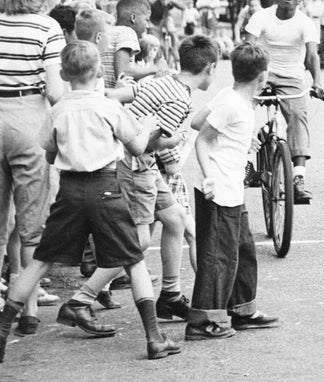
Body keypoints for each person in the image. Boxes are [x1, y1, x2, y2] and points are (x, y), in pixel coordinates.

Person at [0, 42, 181, 364]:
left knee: (39, 261)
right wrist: (148, 128)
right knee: (133, 260)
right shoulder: (108, 107)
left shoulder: (58, 109)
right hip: (106, 188)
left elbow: (49, 154)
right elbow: (136, 147)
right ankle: (154, 337)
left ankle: (1, 333)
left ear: (63, 74)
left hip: (70, 191)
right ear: (98, 73)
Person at [66, 35, 219, 333]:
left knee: (175, 221)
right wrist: (176, 140)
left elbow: (120, 96)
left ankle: (171, 295)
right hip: (135, 165)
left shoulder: (164, 81)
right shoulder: (180, 99)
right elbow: (153, 145)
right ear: (210, 68)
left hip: (143, 166)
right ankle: (79, 301)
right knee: (137, 244)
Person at [185, 43, 279, 340]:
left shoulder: (230, 97)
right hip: (219, 190)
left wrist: (240, 139)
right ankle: (203, 321)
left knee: (242, 249)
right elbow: (202, 137)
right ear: (262, 78)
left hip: (232, 189)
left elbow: (198, 120)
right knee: (218, 257)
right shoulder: (233, 104)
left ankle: (242, 310)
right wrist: (210, 176)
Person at [0, 0, 64, 326]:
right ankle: (29, 306)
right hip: (29, 117)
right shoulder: (46, 27)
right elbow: (54, 89)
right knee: (31, 217)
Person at [245, 0, 324, 204]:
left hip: (292, 76)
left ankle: (298, 180)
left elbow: (311, 55)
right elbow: (249, 46)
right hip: (263, 71)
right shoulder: (262, 16)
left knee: (299, 116)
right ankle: (247, 164)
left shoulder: (305, 22)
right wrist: (246, 76)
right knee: (242, 110)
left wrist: (317, 82)